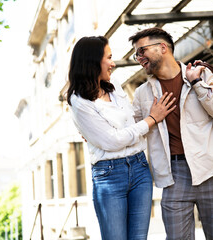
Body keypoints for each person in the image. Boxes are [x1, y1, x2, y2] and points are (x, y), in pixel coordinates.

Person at [66, 36, 176, 240]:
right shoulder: (78, 101)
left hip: (139, 168)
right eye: (108, 57)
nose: (113, 63)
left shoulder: (112, 84)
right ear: (92, 62)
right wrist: (152, 119)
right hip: (109, 175)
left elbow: (130, 121)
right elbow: (112, 141)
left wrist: (137, 125)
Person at [129, 28, 213, 240]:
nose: (139, 59)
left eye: (142, 51)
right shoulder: (142, 93)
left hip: (211, 166)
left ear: (162, 47)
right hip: (173, 173)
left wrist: (197, 84)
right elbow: (133, 131)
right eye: (136, 55)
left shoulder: (202, 74)